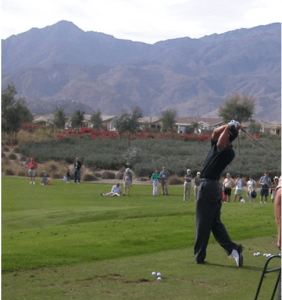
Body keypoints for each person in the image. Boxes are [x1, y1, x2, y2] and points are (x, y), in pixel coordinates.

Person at [194, 120, 243, 267]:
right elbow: (216, 133)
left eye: (225, 132)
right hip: (213, 187)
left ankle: (199, 256)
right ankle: (233, 250)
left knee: (202, 222)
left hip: (208, 186)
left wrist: (228, 126)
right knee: (215, 223)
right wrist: (229, 125)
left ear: (227, 136)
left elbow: (221, 139)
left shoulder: (227, 150)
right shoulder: (217, 146)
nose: (220, 133)